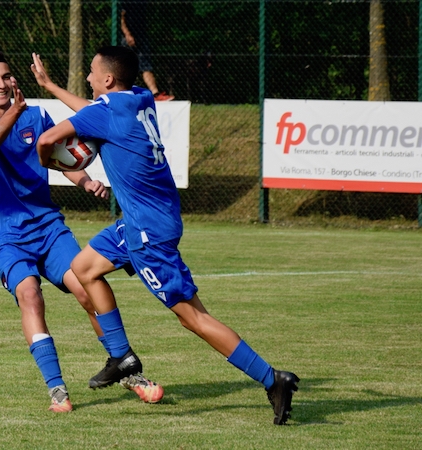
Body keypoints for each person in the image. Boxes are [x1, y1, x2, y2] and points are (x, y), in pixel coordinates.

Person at [31, 46, 300, 425]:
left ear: (107, 80)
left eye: (92, 73)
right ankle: (121, 357)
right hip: (150, 219)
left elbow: (46, 142)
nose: (88, 79)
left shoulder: (104, 112)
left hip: (147, 233)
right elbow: (90, 111)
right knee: (84, 268)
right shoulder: (141, 98)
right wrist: (51, 86)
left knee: (193, 318)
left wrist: (50, 163)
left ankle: (272, 379)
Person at [0, 49, 163, 413]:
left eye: (6, 76)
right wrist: (16, 112)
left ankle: (127, 369)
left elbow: (59, 156)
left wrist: (84, 181)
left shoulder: (35, 115)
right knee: (30, 295)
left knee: (87, 288)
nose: (2, 84)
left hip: (48, 226)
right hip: (4, 235)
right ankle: (57, 390)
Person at [120, 1, 174, 101]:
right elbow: (121, 19)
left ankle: (155, 94)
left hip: (141, 37)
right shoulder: (125, 3)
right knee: (125, 68)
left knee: (146, 67)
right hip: (128, 39)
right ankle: (121, 94)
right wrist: (127, 34)